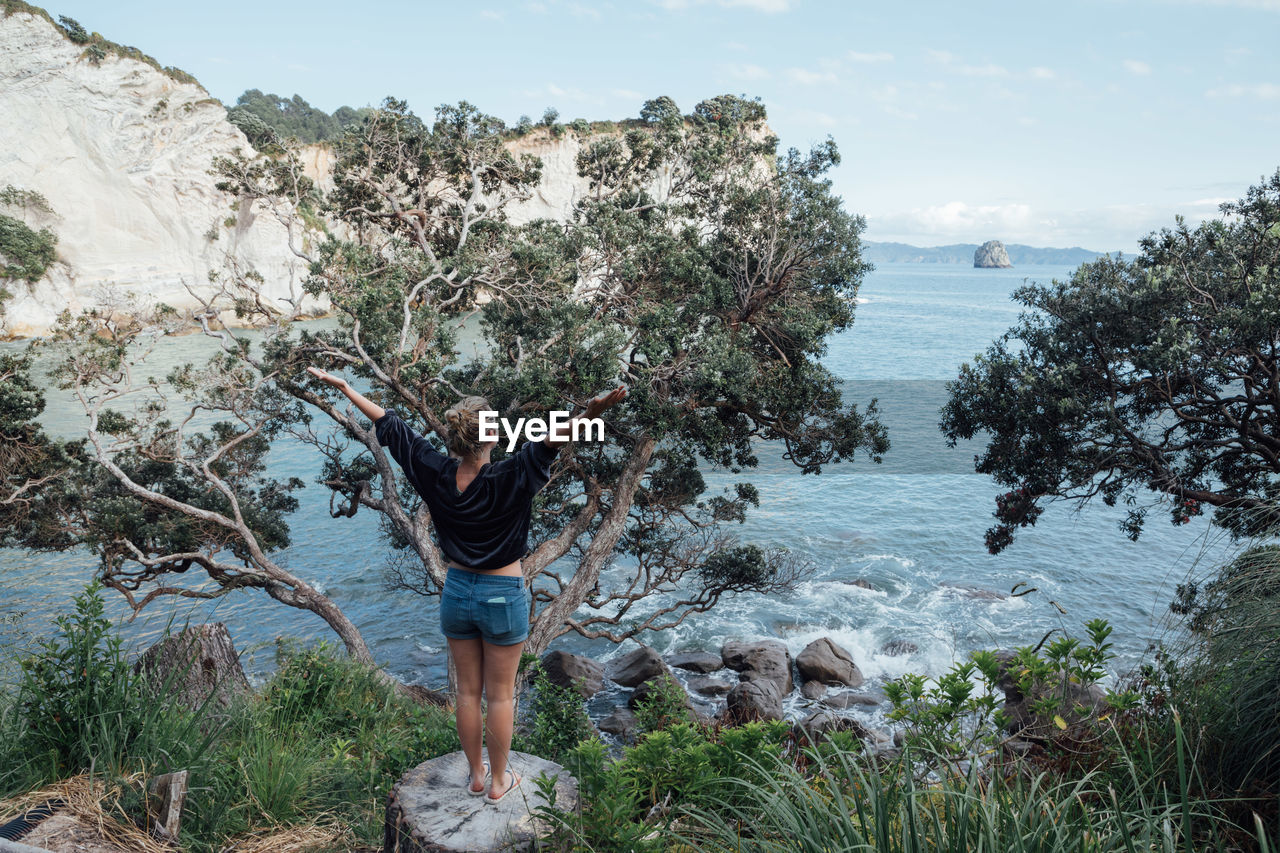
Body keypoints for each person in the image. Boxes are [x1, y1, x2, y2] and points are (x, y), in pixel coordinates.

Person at [305, 366, 626, 803]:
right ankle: (497, 783)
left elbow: (390, 426)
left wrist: (345, 388)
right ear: (490, 437)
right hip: (502, 594)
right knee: (501, 696)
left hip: (456, 594)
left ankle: (475, 775)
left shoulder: (434, 471)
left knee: (467, 693)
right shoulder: (510, 475)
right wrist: (590, 412)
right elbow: (552, 441)